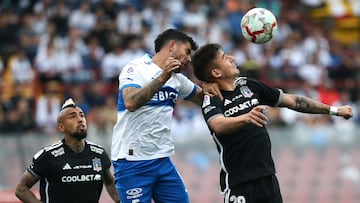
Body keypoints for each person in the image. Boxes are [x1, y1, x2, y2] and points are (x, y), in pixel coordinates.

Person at [191, 43, 353, 203]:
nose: (232, 58)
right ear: (216, 72)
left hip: (268, 179)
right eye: (225, 57)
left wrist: (334, 110)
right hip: (239, 183)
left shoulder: (248, 85)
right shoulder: (211, 98)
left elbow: (293, 101)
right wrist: (246, 118)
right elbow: (218, 125)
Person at [111, 28, 220, 203]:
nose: (189, 59)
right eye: (186, 52)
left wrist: (211, 88)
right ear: (171, 46)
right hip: (132, 162)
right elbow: (130, 102)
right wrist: (163, 77)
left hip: (162, 160)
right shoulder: (136, 68)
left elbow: (205, 98)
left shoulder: (177, 79)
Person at [15, 98, 120, 203]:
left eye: (82, 115)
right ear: (61, 127)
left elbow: (110, 182)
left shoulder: (99, 154)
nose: (80, 119)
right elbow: (21, 189)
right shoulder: (48, 156)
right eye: (73, 117)